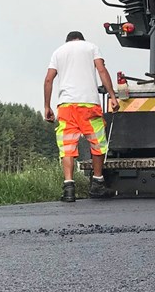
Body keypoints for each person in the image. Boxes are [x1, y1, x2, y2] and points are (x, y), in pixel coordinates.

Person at [44, 31, 119, 201]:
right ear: (81, 39)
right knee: (97, 142)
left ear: (68, 40)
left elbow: (48, 80)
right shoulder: (91, 47)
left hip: (66, 106)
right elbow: (101, 70)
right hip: (88, 104)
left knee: (67, 146)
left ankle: (69, 188)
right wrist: (112, 96)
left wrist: (47, 106)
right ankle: (97, 184)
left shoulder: (58, 52)